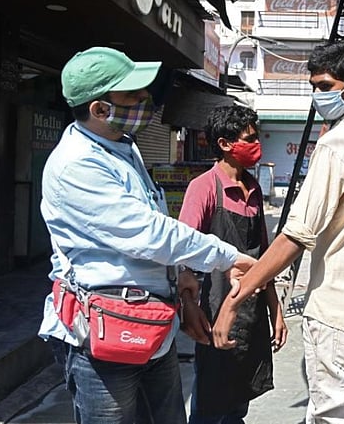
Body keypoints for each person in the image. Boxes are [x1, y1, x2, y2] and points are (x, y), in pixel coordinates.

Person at [37, 46, 256, 424]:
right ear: (100, 109)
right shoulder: (76, 164)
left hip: (152, 325)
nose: (147, 101)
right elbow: (150, 234)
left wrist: (183, 286)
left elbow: (154, 238)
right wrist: (227, 256)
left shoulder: (122, 148)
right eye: (134, 96)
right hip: (104, 333)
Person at [211, 40, 344, 424]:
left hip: (339, 312)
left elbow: (297, 235)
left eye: (325, 86)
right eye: (314, 86)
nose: (318, 96)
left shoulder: (337, 144)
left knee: (332, 416)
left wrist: (235, 300)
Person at [178, 105, 287, 424]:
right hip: (214, 313)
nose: (257, 145)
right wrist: (188, 304)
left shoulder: (254, 189)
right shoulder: (203, 188)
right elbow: (183, 252)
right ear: (225, 144)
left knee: (239, 401)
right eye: (249, 139)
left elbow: (265, 259)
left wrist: (275, 311)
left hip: (250, 316)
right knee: (209, 405)